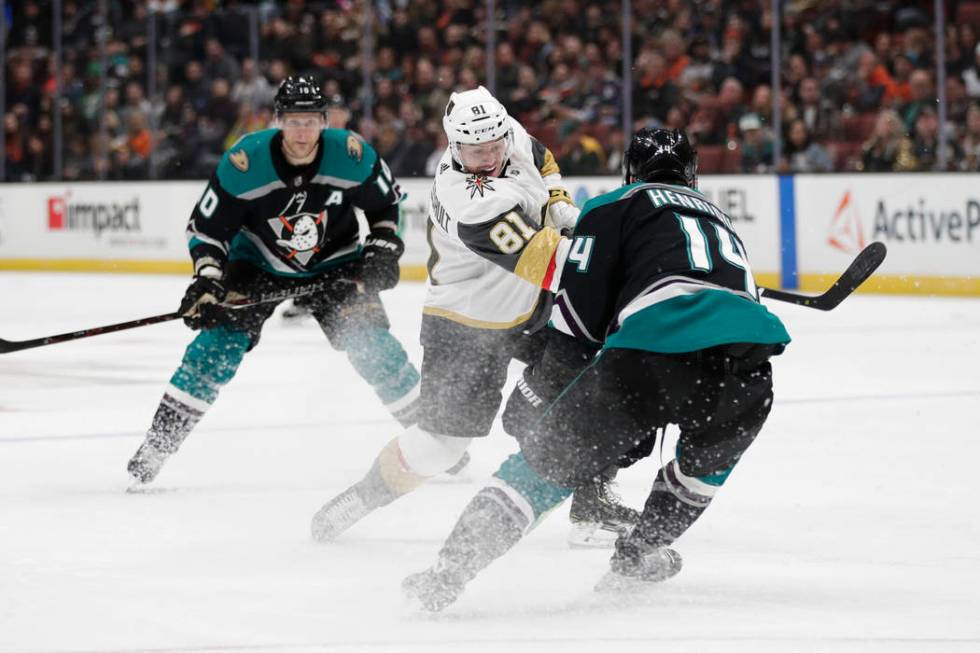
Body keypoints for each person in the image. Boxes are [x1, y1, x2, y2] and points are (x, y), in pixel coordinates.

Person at [401, 128, 792, 611]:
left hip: (649, 360)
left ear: (629, 171)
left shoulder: (612, 206)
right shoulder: (721, 220)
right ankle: (639, 554)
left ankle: (448, 572)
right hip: (749, 375)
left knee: (538, 469)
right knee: (697, 475)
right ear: (692, 174)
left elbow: (581, 319)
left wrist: (545, 390)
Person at [309, 86, 639, 548]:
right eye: (475, 151)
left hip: (530, 308)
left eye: (493, 146)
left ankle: (593, 508)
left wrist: (557, 201)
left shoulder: (503, 131)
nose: (487, 156)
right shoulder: (468, 202)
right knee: (441, 447)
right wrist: (625, 263)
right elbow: (548, 263)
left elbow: (540, 159)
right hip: (465, 324)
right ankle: (363, 498)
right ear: (453, 145)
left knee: (595, 384)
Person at [127, 77, 422, 484]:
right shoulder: (244, 162)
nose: (303, 132)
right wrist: (208, 279)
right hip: (256, 265)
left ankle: (432, 440)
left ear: (323, 121)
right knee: (215, 350)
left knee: (375, 349)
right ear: (278, 120)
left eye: (311, 121)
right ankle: (158, 445)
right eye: (294, 121)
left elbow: (386, 206)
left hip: (335, 264)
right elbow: (207, 231)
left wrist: (384, 248)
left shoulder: (351, 155)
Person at [281, 93, 355, 324]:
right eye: (332, 111)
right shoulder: (315, 139)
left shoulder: (353, 141)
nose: (336, 116)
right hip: (315, 201)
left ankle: (339, 303)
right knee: (307, 249)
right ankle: (304, 299)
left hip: (341, 204)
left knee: (338, 252)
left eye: (339, 111)